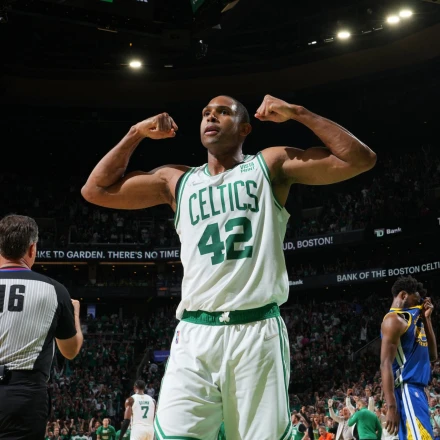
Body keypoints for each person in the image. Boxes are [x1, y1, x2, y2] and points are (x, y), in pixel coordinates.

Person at [81, 94, 376, 439]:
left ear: (244, 128)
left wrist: (299, 113)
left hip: (256, 329)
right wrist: (136, 133)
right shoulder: (176, 181)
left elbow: (360, 159)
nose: (211, 117)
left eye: (223, 112)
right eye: (206, 113)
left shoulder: (269, 165)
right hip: (195, 331)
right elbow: (95, 190)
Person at [0, 214, 84, 440]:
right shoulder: (55, 290)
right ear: (32, 248)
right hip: (23, 396)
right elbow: (70, 351)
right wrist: (75, 314)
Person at [380, 275, 437, 439]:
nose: (419, 304)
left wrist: (427, 319)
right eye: (416, 300)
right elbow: (385, 364)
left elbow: (433, 356)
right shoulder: (394, 320)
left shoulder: (415, 320)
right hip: (407, 390)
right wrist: (391, 407)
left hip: (418, 391)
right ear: (404, 295)